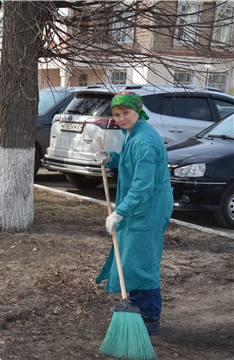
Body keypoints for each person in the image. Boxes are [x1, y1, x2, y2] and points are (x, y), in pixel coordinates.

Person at [94, 91, 173, 335]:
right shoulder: (134, 133)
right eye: (116, 114)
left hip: (148, 206)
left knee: (141, 261)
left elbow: (143, 185)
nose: (121, 118)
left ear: (137, 110)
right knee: (131, 257)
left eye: (125, 113)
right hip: (140, 204)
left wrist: (121, 211)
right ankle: (137, 306)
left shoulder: (145, 141)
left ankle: (149, 316)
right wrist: (111, 158)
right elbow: (131, 162)